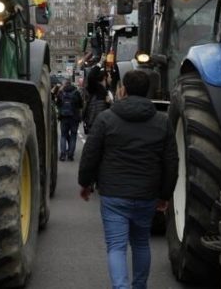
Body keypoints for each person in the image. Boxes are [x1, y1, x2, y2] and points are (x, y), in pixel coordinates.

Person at [78, 70, 177, 289]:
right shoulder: (162, 122)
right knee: (141, 243)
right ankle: (139, 286)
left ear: (123, 89)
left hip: (114, 194)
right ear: (148, 90)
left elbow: (91, 154)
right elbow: (171, 162)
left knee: (116, 246)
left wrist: (86, 183)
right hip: (146, 195)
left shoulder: (106, 118)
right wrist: (164, 195)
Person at [57, 80, 84, 161]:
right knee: (73, 136)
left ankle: (62, 154)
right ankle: (70, 155)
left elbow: (58, 103)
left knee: (63, 136)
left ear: (65, 85)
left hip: (64, 117)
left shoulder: (61, 92)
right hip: (74, 118)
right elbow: (81, 105)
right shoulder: (76, 93)